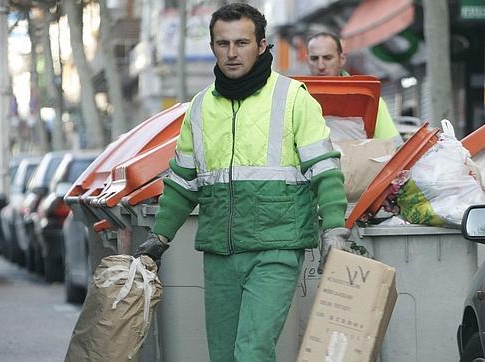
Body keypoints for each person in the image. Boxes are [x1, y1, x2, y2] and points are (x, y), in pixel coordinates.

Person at [134, 4, 358, 361]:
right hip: (221, 252)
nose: (232, 53)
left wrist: (334, 229)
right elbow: (183, 181)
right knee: (223, 355)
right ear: (212, 46)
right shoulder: (199, 108)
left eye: (242, 42)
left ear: (262, 45)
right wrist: (160, 236)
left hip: (276, 246)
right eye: (223, 44)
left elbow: (325, 168)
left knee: (251, 352)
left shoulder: (292, 98)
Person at [306, 31, 403, 147]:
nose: (321, 66)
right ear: (307, 60)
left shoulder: (369, 100)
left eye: (327, 58)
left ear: (342, 59)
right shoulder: (297, 100)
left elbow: (394, 147)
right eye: (314, 58)